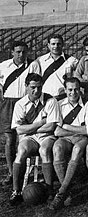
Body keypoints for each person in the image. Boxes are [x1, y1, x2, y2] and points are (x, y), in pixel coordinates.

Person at [9, 73, 61, 205]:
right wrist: (39, 123)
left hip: (46, 136)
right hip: (30, 138)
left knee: (44, 151)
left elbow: (51, 126)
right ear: (26, 86)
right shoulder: (20, 104)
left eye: (39, 87)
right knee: (21, 151)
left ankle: (49, 189)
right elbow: (19, 130)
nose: (36, 90)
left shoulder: (51, 100)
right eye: (33, 87)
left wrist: (30, 127)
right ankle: (16, 191)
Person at [48, 77, 88, 210]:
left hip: (82, 139)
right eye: (70, 90)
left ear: (81, 89)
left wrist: (66, 127)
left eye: (76, 89)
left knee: (78, 149)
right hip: (67, 139)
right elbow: (56, 131)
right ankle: (66, 191)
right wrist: (75, 131)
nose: (73, 93)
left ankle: (61, 192)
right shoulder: (59, 104)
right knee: (57, 147)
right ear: (65, 90)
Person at [0, 41, 33, 185]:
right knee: (9, 140)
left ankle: (22, 170)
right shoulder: (3, 66)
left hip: (24, 103)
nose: (21, 55)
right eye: (18, 52)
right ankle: (10, 172)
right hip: (7, 103)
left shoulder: (32, 65)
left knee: (23, 138)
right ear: (12, 52)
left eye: (24, 52)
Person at [27, 34, 78, 101]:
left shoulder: (72, 61)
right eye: (53, 44)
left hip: (63, 97)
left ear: (63, 45)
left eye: (58, 44)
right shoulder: (40, 60)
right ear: (48, 45)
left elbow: (76, 80)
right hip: (45, 98)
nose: (56, 46)